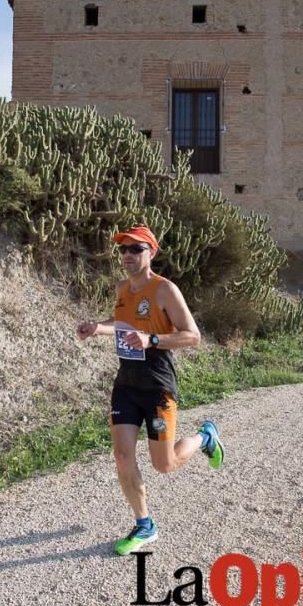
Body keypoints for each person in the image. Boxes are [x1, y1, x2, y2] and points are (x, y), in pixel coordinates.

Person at [76, 225, 224, 555]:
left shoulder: (164, 290)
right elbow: (125, 326)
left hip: (157, 385)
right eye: (123, 249)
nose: (127, 255)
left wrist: (152, 340)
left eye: (135, 249)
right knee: (122, 456)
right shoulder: (122, 289)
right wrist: (97, 328)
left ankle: (205, 437)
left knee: (165, 465)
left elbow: (193, 335)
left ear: (151, 253)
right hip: (126, 384)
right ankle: (145, 525)